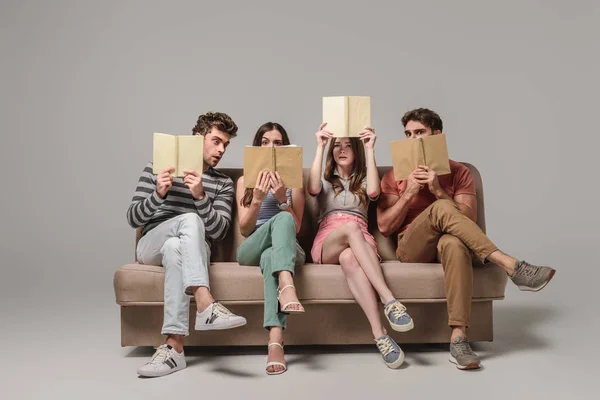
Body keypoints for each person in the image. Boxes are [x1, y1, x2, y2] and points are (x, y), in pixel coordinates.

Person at [377, 108, 556, 370]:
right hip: (412, 246)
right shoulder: (395, 175)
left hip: (449, 243)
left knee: (454, 242)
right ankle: (511, 265)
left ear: (437, 136)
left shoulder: (460, 171)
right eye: (408, 134)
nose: (412, 139)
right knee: (440, 210)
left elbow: (469, 225)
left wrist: (437, 189)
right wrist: (410, 192)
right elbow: (384, 226)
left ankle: (458, 339)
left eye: (420, 133)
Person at [127, 112, 247, 377]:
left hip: (192, 248)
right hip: (151, 244)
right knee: (186, 223)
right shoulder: (157, 167)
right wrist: (158, 194)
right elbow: (132, 217)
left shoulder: (223, 183)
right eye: (216, 141)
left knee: (175, 248)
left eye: (225, 145)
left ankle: (174, 349)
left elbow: (219, 232)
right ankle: (206, 303)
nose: (221, 150)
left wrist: (201, 196)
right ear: (197, 138)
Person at [307, 122, 413, 369]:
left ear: (355, 151)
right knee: (351, 229)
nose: (341, 150)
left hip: (360, 243)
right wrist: (320, 146)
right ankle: (389, 300)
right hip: (328, 242)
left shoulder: (365, 180)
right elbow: (312, 187)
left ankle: (380, 336)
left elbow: (375, 191)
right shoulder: (324, 180)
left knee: (349, 259)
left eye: (347, 146)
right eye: (337, 146)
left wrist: (370, 148)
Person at [235, 122, 306, 375]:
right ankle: (287, 286)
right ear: (258, 147)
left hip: (287, 248)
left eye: (277, 143)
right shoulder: (245, 180)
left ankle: (275, 343)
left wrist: (280, 198)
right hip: (252, 246)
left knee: (272, 251)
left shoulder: (295, 181)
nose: (270, 147)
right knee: (270, 239)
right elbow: (244, 230)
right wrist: (256, 198)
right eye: (265, 142)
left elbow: (296, 227)